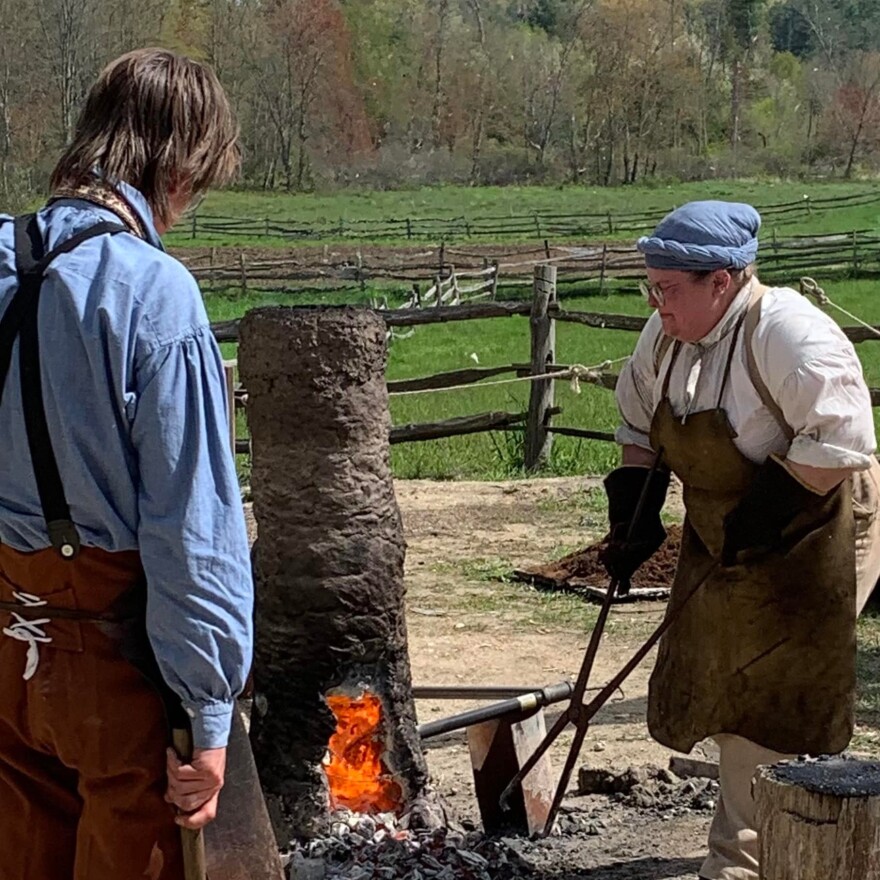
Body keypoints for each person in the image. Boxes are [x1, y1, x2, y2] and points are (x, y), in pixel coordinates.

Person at [0, 49, 253, 879]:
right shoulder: (153, 291)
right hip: (108, 667)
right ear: (175, 165)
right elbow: (190, 527)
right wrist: (209, 710)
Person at [602, 200, 880, 880]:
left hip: (820, 513)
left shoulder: (789, 334)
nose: (656, 301)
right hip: (723, 523)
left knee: (769, 682)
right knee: (716, 671)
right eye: (652, 286)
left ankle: (739, 863)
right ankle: (772, 816)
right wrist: (633, 516)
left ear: (720, 282)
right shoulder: (663, 339)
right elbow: (641, 430)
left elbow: (840, 444)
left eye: (668, 288)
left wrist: (761, 524)